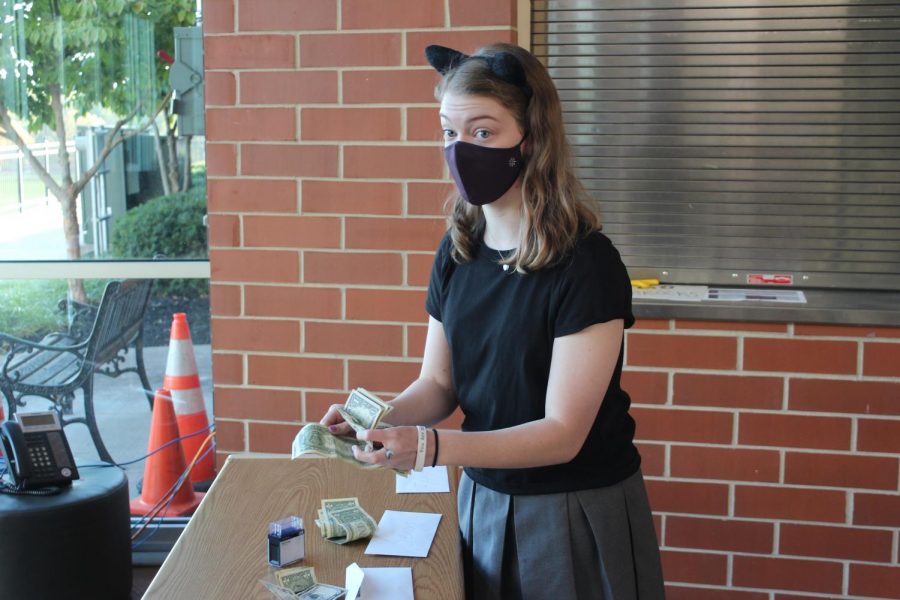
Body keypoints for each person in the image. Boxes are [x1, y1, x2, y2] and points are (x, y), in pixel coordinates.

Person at [321, 42, 665, 599]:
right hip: (482, 497)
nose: (461, 151)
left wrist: (430, 448)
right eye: (449, 133)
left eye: (483, 132)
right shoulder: (458, 250)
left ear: (532, 139)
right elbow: (439, 386)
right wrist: (379, 421)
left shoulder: (587, 264)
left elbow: (562, 434)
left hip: (572, 508)